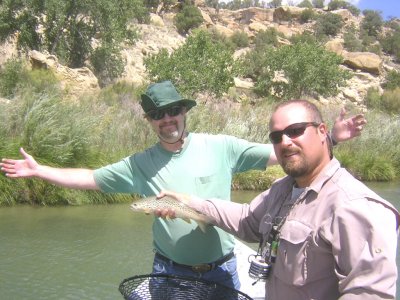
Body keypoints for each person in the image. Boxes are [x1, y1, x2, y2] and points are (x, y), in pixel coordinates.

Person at [0, 81, 366, 291]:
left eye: (172, 110)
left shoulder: (221, 145)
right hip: (168, 271)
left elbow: (283, 153)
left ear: (183, 112)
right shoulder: (139, 163)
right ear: (150, 120)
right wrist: (40, 170)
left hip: (223, 269)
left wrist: (332, 136)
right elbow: (89, 178)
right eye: (157, 114)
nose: (166, 119)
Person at [159, 99, 400, 299]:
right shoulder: (282, 189)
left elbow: (369, 293)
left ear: (323, 132)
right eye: (276, 137)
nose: (285, 142)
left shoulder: (355, 205)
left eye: (295, 131)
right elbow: (247, 221)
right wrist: (190, 202)